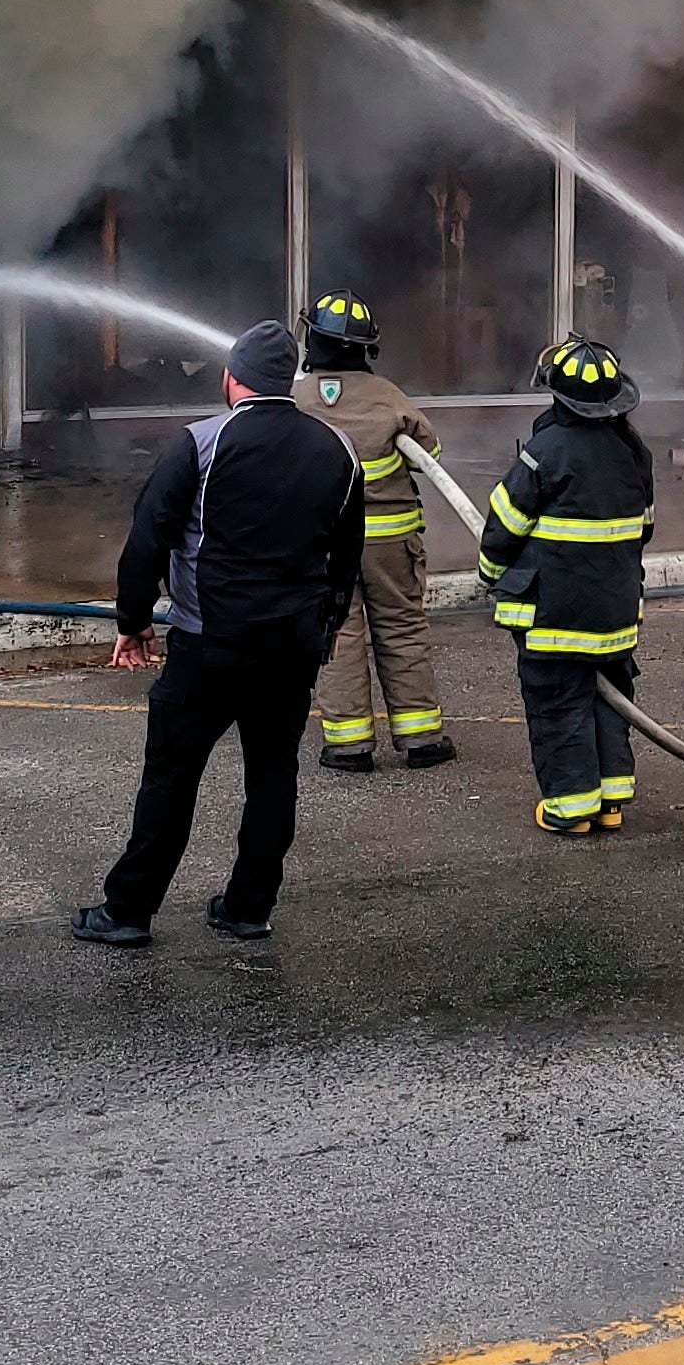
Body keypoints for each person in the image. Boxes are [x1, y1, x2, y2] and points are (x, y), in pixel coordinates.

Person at [80, 319, 364, 945]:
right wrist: (328, 627)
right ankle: (248, 907)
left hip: (209, 644)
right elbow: (346, 556)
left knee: (171, 777)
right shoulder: (337, 450)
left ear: (231, 378)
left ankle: (127, 911)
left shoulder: (201, 444)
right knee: (272, 777)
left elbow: (148, 537)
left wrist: (132, 622)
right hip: (291, 648)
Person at [476, 338, 655, 835]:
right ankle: (610, 801)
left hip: (557, 616)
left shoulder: (545, 451)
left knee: (559, 706)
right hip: (616, 612)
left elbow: (505, 522)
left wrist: (490, 574)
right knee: (610, 699)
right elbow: (644, 529)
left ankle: (570, 808)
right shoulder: (634, 451)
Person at [294, 290, 454, 773]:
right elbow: (432, 456)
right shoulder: (389, 397)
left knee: (338, 633)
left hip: (321, 545)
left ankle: (348, 745)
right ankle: (421, 739)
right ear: (366, 347)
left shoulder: (295, 399)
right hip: (390, 545)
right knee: (402, 629)